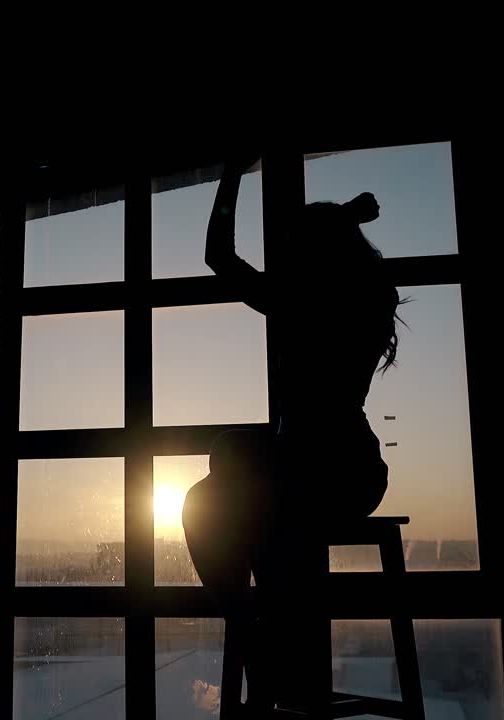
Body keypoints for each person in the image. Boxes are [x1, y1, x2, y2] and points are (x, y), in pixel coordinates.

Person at [182, 154, 407, 713]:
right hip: (327, 467)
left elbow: (219, 256)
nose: (286, 256)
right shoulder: (345, 300)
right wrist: (344, 218)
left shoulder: (330, 305)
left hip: (332, 472)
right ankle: (262, 642)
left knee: (234, 497)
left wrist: (233, 174)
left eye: (296, 245)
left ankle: (264, 650)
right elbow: (220, 258)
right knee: (228, 469)